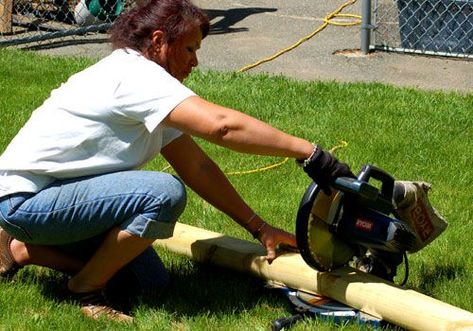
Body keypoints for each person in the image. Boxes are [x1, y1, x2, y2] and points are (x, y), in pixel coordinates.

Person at [0, 0, 354, 323]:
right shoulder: (136, 76)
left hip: (44, 201)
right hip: (29, 201)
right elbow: (223, 128)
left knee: (148, 282)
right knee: (163, 192)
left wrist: (259, 227)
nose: (194, 62)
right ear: (158, 41)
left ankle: (20, 249)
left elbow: (197, 167)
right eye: (189, 49)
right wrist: (308, 152)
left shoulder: (143, 82)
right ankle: (85, 289)